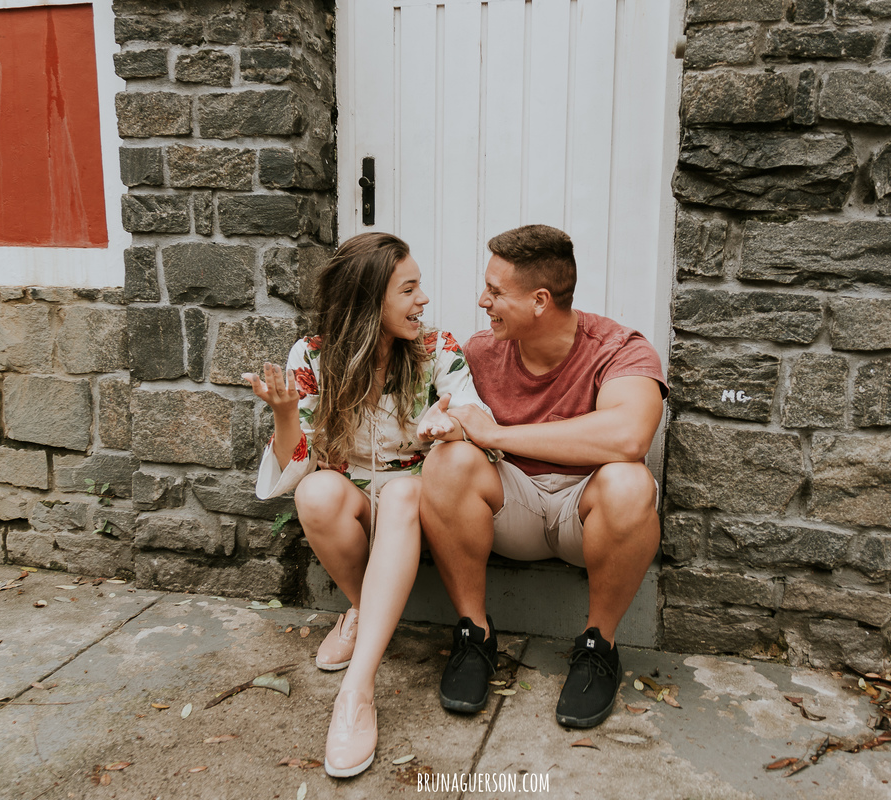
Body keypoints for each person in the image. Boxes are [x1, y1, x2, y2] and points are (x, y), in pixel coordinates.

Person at [246, 232, 495, 778]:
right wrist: (285, 414)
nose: (422, 299)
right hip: (354, 495)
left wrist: (449, 425)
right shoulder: (312, 356)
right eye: (408, 289)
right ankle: (364, 609)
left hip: (417, 499)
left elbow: (476, 416)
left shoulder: (437, 348)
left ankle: (356, 693)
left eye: (419, 286)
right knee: (314, 493)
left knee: (403, 490)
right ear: (367, 299)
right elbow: (297, 462)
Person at [419, 224, 667, 730]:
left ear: (539, 301)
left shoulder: (620, 348)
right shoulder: (481, 352)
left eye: (495, 291)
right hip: (515, 506)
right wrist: (449, 428)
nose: (482, 301)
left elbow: (629, 438)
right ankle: (474, 635)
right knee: (447, 463)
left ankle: (599, 646)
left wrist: (498, 435)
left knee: (630, 481)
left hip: (585, 511)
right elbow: (465, 427)